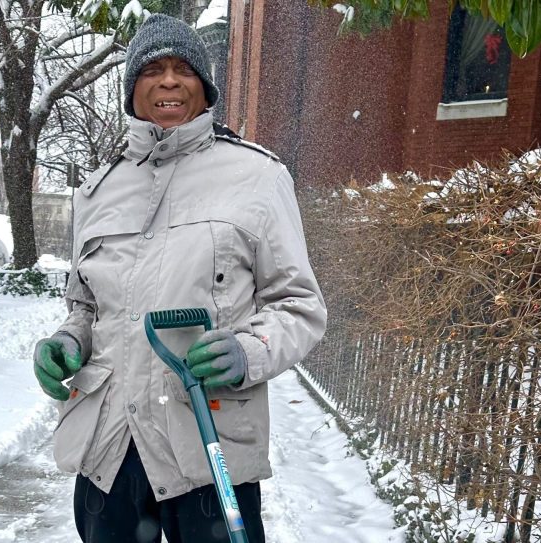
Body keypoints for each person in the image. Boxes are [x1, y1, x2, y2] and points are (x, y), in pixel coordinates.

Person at [32, 13, 326, 543]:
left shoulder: (258, 178)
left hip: (206, 442)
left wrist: (247, 351)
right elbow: (85, 304)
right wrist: (66, 340)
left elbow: (297, 305)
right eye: (152, 70)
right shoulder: (98, 191)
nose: (169, 81)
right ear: (132, 89)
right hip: (110, 449)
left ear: (205, 87)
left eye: (184, 69)